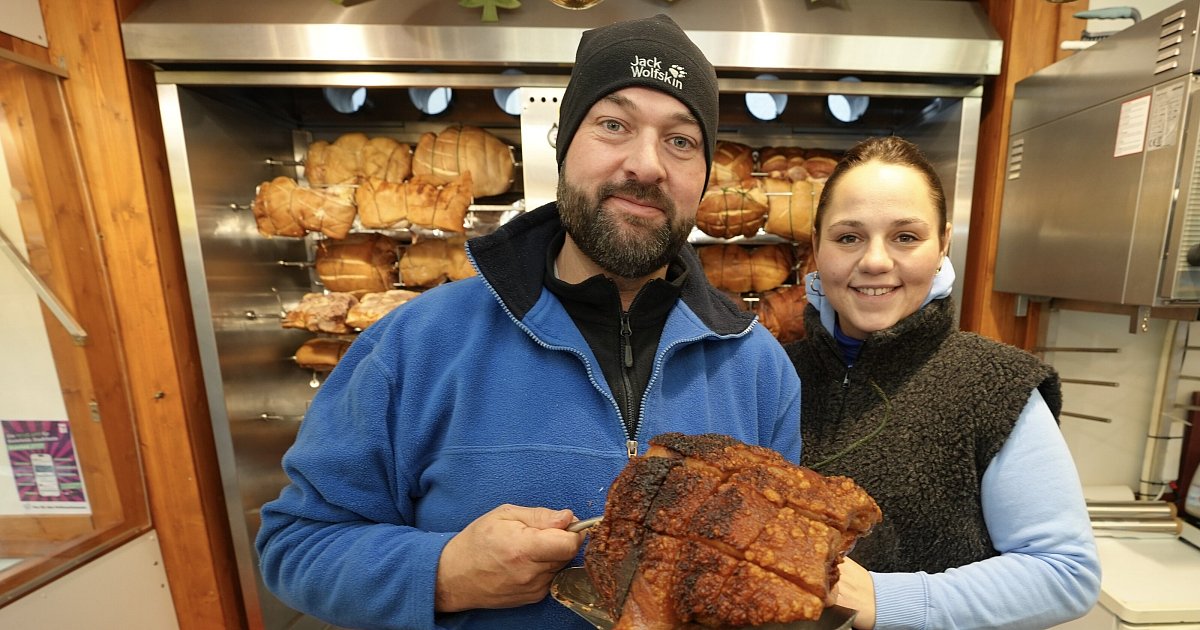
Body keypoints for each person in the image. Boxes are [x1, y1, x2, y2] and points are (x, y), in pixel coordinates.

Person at [254, 14, 801, 630]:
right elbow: (296, 544)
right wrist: (443, 572)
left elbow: (769, 571)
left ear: (702, 176)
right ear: (566, 146)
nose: (646, 166)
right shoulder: (419, 343)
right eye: (614, 125)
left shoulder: (758, 368)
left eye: (681, 140)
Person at [785, 135, 1101, 629]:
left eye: (905, 237)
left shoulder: (996, 385)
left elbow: (1065, 574)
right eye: (848, 237)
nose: (874, 261)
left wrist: (886, 599)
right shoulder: (777, 374)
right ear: (817, 247)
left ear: (943, 244)